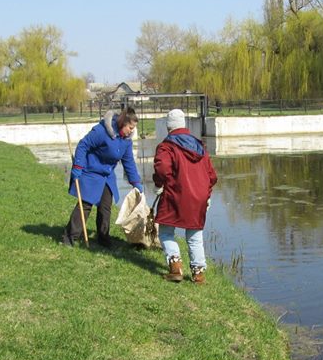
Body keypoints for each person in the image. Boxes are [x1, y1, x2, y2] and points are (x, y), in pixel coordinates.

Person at [62, 106, 143, 247]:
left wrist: (135, 181)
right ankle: (69, 237)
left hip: (107, 175)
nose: (132, 131)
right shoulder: (101, 131)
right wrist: (77, 166)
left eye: (133, 128)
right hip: (90, 171)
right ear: (122, 123)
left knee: (105, 206)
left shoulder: (126, 141)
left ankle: (103, 239)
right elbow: (83, 145)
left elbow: (128, 161)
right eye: (130, 127)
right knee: (85, 204)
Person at [153, 108, 217, 283]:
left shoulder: (167, 146)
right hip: (199, 197)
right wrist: (206, 194)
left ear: (169, 127)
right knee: (195, 237)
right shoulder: (200, 147)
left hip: (176, 194)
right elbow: (212, 176)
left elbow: (162, 169)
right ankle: (198, 274)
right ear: (184, 125)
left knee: (166, 231)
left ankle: (176, 267)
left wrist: (159, 184)